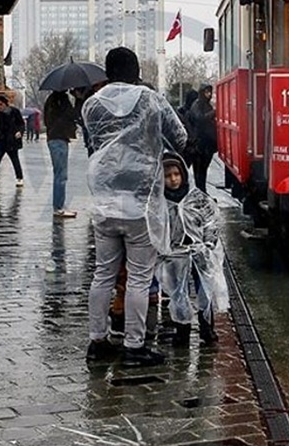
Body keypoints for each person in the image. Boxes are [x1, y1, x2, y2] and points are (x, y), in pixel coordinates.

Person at [82, 47, 188, 367]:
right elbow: (180, 137)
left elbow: (98, 142)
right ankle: (134, 345)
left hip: (103, 199)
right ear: (136, 69)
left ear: (107, 72)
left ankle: (97, 341)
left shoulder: (91, 105)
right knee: (140, 278)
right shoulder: (151, 99)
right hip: (140, 202)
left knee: (103, 274)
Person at [158, 152, 229, 348]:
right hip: (174, 254)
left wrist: (208, 244)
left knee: (204, 290)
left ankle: (207, 328)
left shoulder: (196, 198)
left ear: (183, 174)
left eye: (176, 174)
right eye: (167, 176)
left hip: (199, 252)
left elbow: (210, 222)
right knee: (178, 293)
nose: (173, 180)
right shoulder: (159, 203)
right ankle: (182, 330)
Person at [43, 90, 79, 218]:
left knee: (59, 174)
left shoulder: (51, 100)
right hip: (59, 138)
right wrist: (76, 98)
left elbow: (46, 120)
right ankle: (59, 207)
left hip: (53, 137)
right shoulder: (61, 100)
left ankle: (59, 206)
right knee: (61, 175)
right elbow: (72, 115)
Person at [0, 94, 25, 187]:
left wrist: (19, 132)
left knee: (15, 160)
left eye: (1, 104)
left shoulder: (14, 111)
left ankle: (20, 178)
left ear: (5, 104)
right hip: (0, 140)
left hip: (11, 140)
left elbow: (21, 123)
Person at [186, 84, 217, 192]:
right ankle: (200, 193)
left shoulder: (207, 105)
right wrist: (214, 113)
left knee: (203, 171)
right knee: (199, 172)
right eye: (206, 92)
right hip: (199, 145)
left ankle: (202, 192)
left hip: (207, 145)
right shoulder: (197, 104)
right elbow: (200, 119)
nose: (209, 94)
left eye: (210, 92)